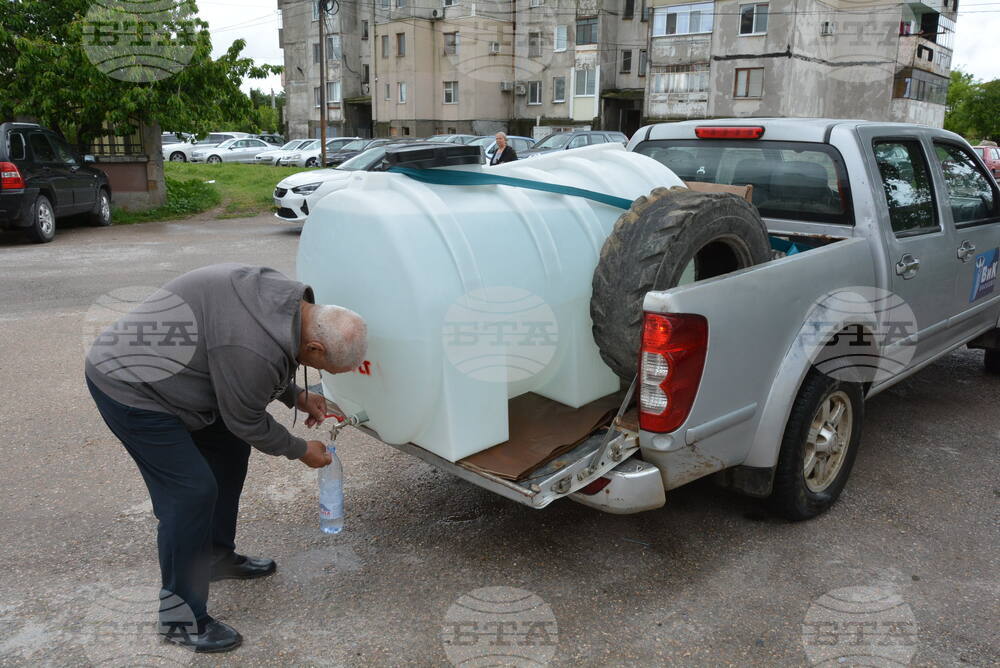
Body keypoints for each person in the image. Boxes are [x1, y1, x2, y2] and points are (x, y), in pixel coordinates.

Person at [84, 264, 367, 653]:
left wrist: (297, 395)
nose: (316, 371)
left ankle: (216, 557)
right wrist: (301, 450)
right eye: (320, 368)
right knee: (189, 494)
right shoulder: (249, 346)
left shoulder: (290, 304)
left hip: (190, 371)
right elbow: (246, 416)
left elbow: (254, 357)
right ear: (315, 348)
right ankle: (181, 620)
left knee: (230, 453)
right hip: (133, 385)